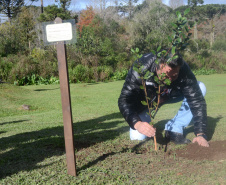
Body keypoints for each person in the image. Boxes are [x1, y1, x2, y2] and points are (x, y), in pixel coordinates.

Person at [118, 52, 209, 147]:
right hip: (148, 102)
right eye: (165, 75)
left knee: (200, 87)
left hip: (171, 94)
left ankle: (174, 128)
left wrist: (200, 134)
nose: (169, 80)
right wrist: (137, 123)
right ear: (157, 66)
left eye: (174, 75)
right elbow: (124, 99)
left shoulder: (183, 68)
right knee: (137, 137)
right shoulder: (141, 68)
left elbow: (196, 100)